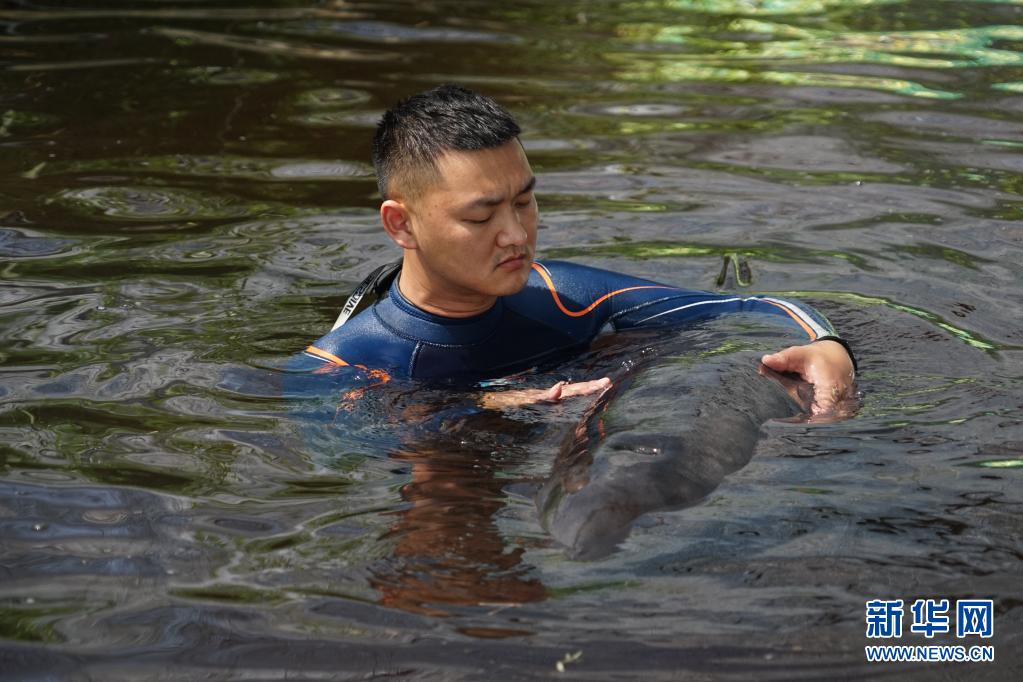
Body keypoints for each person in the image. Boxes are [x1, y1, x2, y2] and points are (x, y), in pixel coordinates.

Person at [293, 85, 856, 414]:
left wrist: (829, 346)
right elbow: (345, 454)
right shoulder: (338, 364)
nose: (516, 235)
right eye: (480, 216)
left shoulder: (566, 295)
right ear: (401, 225)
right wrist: (484, 406)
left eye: (524, 202)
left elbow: (753, 308)